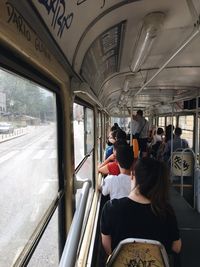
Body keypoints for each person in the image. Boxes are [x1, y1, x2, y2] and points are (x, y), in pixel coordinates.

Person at [100, 158, 181, 256]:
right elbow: (176, 247)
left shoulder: (111, 209)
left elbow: (108, 248)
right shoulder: (166, 211)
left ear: (132, 175)